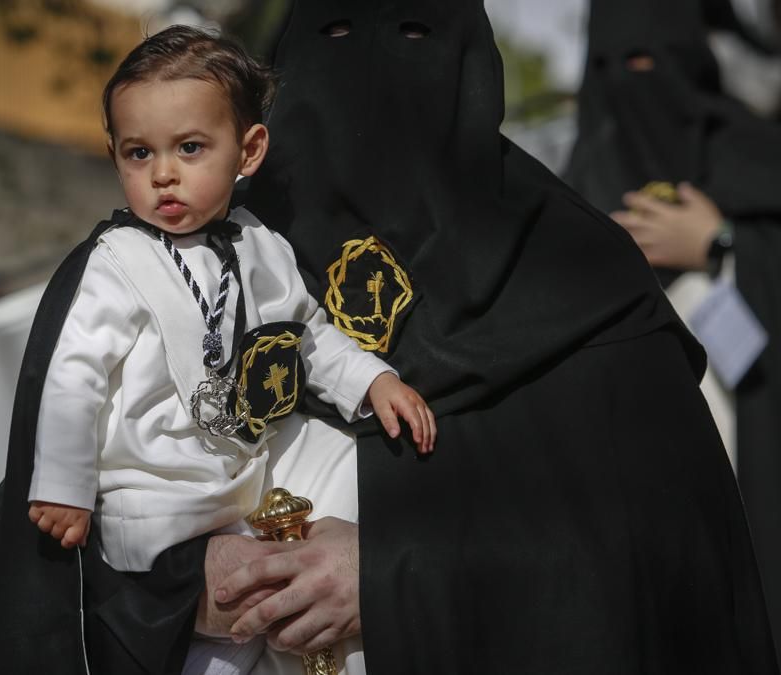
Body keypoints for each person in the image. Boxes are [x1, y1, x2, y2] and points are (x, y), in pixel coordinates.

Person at [222, 0, 777, 672]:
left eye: (416, 35)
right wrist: (205, 578)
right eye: (333, 35)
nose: (374, 69)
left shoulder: (586, 286)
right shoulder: (193, 264)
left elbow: (671, 563)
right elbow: (88, 526)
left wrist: (399, 580)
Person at [0, 24, 433, 674]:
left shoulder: (260, 244)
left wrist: (372, 380)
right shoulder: (114, 264)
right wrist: (65, 485)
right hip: (154, 503)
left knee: (347, 477)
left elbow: (307, 332)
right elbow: (72, 377)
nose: (165, 175)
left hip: (243, 478)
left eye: (189, 147)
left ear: (249, 149)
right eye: (139, 154)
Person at [565, 0, 781, 661]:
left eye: (650, 63)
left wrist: (723, 243)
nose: (635, 82)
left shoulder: (760, 163)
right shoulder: (570, 191)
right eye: (614, 66)